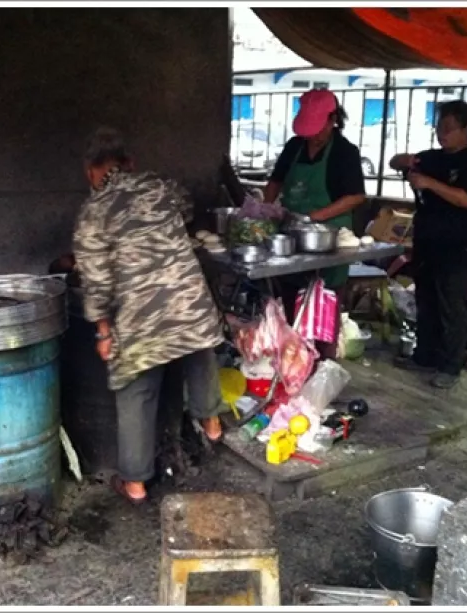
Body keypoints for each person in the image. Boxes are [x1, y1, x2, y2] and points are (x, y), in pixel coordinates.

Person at [72, 127, 225, 504]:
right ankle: (212, 422)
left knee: (135, 390)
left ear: (90, 170)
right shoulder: (160, 185)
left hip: (139, 314)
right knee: (197, 345)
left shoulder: (94, 212)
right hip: (187, 296)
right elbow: (186, 209)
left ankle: (136, 484)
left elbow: (96, 281)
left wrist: (104, 333)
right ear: (130, 162)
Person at [389, 100, 467, 389]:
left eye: (448, 128)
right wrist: (407, 161)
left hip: (458, 247)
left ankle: (450, 365)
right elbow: (395, 160)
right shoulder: (432, 158)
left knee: (452, 308)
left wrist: (430, 184)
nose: (442, 134)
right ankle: (425, 356)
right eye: (439, 128)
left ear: (466, 130)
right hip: (427, 243)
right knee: (427, 303)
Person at [263, 88, 367, 354]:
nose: (312, 135)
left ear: (333, 119)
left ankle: (322, 367)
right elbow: (275, 182)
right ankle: (291, 363)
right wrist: (266, 209)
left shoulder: (345, 152)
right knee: (291, 303)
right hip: (292, 236)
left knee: (324, 310)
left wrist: (314, 217)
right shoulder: (295, 146)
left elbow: (355, 196)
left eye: (318, 127)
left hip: (329, 239)